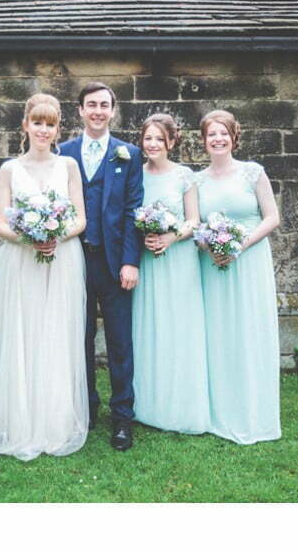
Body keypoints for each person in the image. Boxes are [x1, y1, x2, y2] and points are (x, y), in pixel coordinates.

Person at [0, 93, 88, 461]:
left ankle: (55, 421)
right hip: (22, 260)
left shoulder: (69, 166)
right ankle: (21, 422)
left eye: (50, 124)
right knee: (23, 331)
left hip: (62, 258)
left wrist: (55, 235)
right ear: (25, 125)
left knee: (56, 332)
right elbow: (0, 224)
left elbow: (80, 218)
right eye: (37, 123)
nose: (43, 130)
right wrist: (30, 238)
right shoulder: (9, 169)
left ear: (58, 129)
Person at [60, 82, 144, 451]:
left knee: (119, 342)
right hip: (73, 260)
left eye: (104, 105)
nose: (97, 111)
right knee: (77, 338)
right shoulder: (63, 153)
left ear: (113, 110)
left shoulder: (129, 154)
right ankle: (86, 408)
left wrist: (130, 261)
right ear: (80, 110)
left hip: (113, 263)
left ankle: (122, 416)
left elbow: (132, 211)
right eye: (91, 104)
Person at [195, 110, 281, 444]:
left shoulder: (253, 172)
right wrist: (210, 246)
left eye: (223, 133)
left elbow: (271, 217)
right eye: (211, 134)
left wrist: (239, 245)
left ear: (233, 137)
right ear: (203, 140)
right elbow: (194, 223)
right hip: (212, 264)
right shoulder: (196, 181)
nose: (218, 139)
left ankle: (253, 409)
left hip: (249, 261)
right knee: (218, 332)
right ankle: (219, 409)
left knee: (249, 329)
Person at [131, 114, 211, 434]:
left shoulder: (184, 176)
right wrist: (144, 236)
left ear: (172, 142)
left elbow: (193, 220)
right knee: (150, 325)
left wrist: (170, 237)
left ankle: (182, 405)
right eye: (148, 138)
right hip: (147, 262)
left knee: (179, 327)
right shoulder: (135, 174)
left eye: (159, 139)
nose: (152, 144)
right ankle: (149, 405)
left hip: (178, 260)